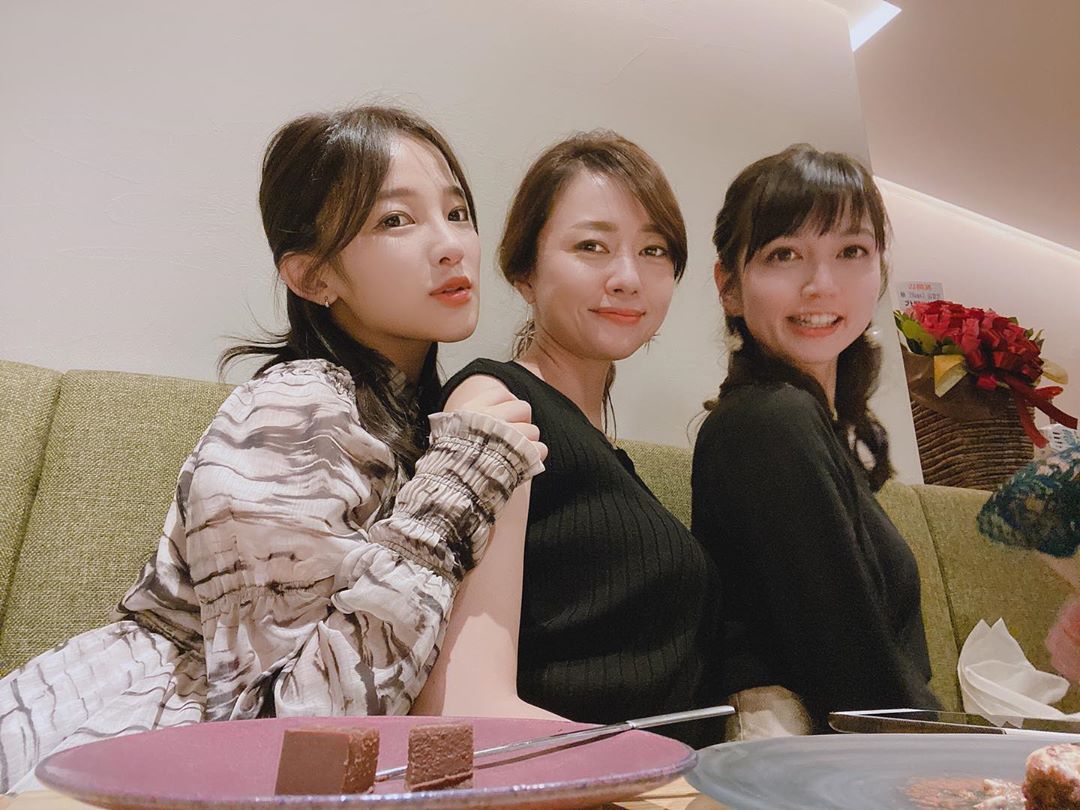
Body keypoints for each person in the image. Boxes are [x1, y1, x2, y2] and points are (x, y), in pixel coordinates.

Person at [0, 105, 545, 793]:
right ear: (314, 277)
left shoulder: (408, 413)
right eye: (395, 220)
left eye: (458, 212)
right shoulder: (294, 410)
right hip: (126, 745)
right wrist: (460, 481)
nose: (451, 245)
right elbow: (286, 726)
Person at [412, 131, 724, 747]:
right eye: (591, 246)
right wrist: (660, 773)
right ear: (525, 272)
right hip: (600, 780)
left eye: (654, 250)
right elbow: (463, 704)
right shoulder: (495, 407)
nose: (628, 277)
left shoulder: (601, 449)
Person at [692, 143, 940, 738]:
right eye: (784, 254)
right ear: (729, 286)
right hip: (816, 764)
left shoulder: (811, 424)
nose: (821, 285)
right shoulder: (769, 422)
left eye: (851, 251)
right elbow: (854, 675)